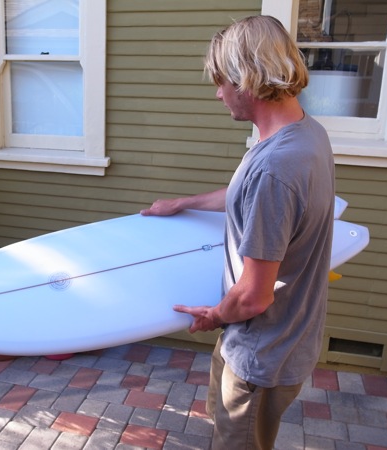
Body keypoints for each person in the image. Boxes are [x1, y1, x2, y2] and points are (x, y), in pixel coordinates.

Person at [141, 15, 335, 450]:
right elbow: (249, 196)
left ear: (246, 78)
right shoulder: (306, 133)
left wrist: (213, 316)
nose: (218, 93)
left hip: (261, 352)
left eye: (221, 81)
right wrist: (184, 202)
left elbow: (252, 297)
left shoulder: (276, 167)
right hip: (262, 339)